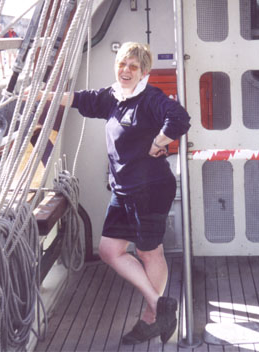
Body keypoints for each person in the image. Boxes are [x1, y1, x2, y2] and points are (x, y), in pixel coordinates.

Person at [69, 42, 191, 344]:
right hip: (123, 190)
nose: (125, 70)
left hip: (150, 189)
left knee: (150, 252)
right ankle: (160, 304)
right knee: (110, 251)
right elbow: (79, 99)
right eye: (122, 64)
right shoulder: (113, 97)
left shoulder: (149, 97)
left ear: (144, 72)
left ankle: (151, 318)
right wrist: (39, 97)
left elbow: (179, 118)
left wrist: (158, 141)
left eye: (133, 66)